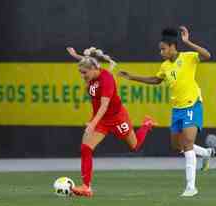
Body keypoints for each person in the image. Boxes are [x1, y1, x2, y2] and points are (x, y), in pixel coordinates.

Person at [118, 26, 214, 197]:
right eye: (160, 49)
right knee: (177, 146)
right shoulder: (164, 66)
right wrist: (132, 77)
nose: (161, 52)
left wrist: (187, 42)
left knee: (188, 144)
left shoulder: (188, 58)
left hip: (191, 105)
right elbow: (156, 80)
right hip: (177, 109)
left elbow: (207, 55)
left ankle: (191, 187)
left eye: (163, 49)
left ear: (172, 46)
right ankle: (206, 153)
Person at [66, 47, 157, 197]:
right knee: (86, 148)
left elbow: (104, 105)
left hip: (117, 118)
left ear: (94, 69)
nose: (82, 76)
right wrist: (76, 56)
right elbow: (89, 62)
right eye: (80, 73)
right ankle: (86, 187)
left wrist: (92, 123)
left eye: (84, 73)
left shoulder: (106, 79)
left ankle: (146, 125)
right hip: (101, 121)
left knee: (135, 146)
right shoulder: (92, 71)